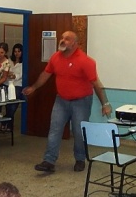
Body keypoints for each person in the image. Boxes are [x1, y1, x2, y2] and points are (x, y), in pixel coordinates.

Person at [23, 30, 111, 173]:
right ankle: (49, 161)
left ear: (75, 43)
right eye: (62, 38)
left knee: (79, 132)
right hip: (61, 100)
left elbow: (96, 84)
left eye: (67, 39)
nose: (63, 40)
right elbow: (45, 74)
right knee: (54, 130)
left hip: (81, 101)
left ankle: (80, 159)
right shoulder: (55, 57)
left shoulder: (85, 61)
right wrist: (33, 87)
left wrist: (105, 104)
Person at [5, 43, 24, 121]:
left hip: (17, 85)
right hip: (7, 84)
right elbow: (5, 70)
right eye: (15, 51)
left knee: (13, 105)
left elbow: (21, 74)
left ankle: (5, 121)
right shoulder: (9, 61)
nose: (17, 53)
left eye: (19, 51)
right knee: (7, 105)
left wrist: (14, 76)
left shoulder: (24, 63)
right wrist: (8, 74)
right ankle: (7, 123)